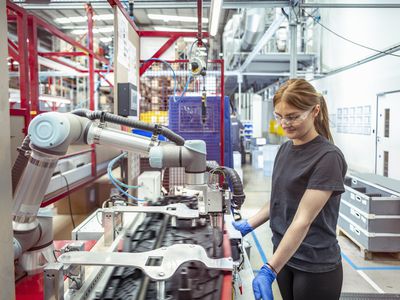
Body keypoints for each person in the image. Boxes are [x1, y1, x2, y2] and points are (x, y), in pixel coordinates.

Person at [233, 79, 347, 300]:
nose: (284, 123)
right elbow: (278, 200)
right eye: (279, 116)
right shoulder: (285, 149)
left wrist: (269, 269)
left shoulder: (328, 157)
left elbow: (303, 220)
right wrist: (248, 224)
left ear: (315, 111)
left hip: (314, 264)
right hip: (285, 256)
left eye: (293, 116)